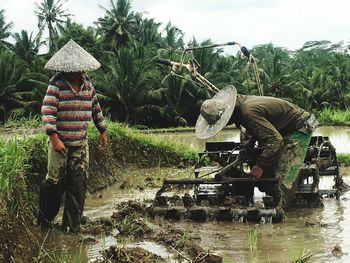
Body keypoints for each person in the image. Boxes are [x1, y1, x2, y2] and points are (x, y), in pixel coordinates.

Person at [38, 39, 107, 233]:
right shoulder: (56, 85)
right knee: (54, 183)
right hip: (60, 143)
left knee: (78, 184)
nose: (76, 71)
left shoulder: (88, 86)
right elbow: (48, 111)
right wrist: (54, 137)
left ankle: (71, 226)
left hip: (80, 143)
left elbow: (96, 109)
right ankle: (45, 221)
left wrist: (102, 131)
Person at [195, 85, 317, 179]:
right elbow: (259, 128)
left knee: (282, 176)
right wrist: (249, 144)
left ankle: (283, 206)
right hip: (284, 127)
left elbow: (275, 141)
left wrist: (260, 166)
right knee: (269, 167)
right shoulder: (241, 105)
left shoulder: (247, 113)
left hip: (300, 126)